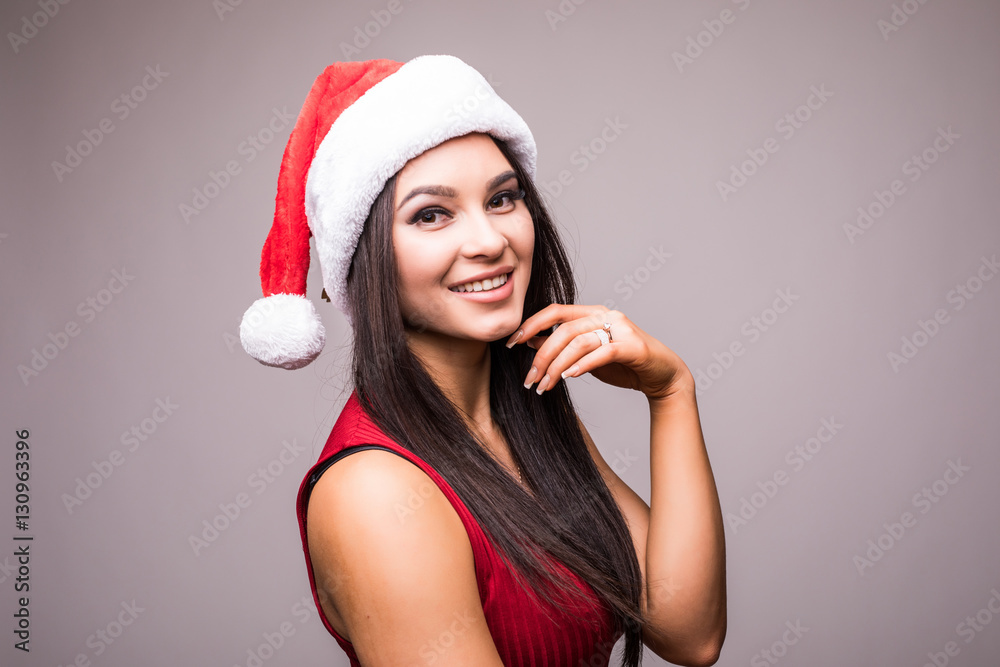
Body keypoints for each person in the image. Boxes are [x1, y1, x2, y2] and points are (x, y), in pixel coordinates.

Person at [239, 54, 726, 667]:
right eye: (431, 214)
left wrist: (671, 392)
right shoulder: (378, 492)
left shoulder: (524, 411)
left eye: (502, 199)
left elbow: (689, 631)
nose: (490, 241)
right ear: (358, 264)